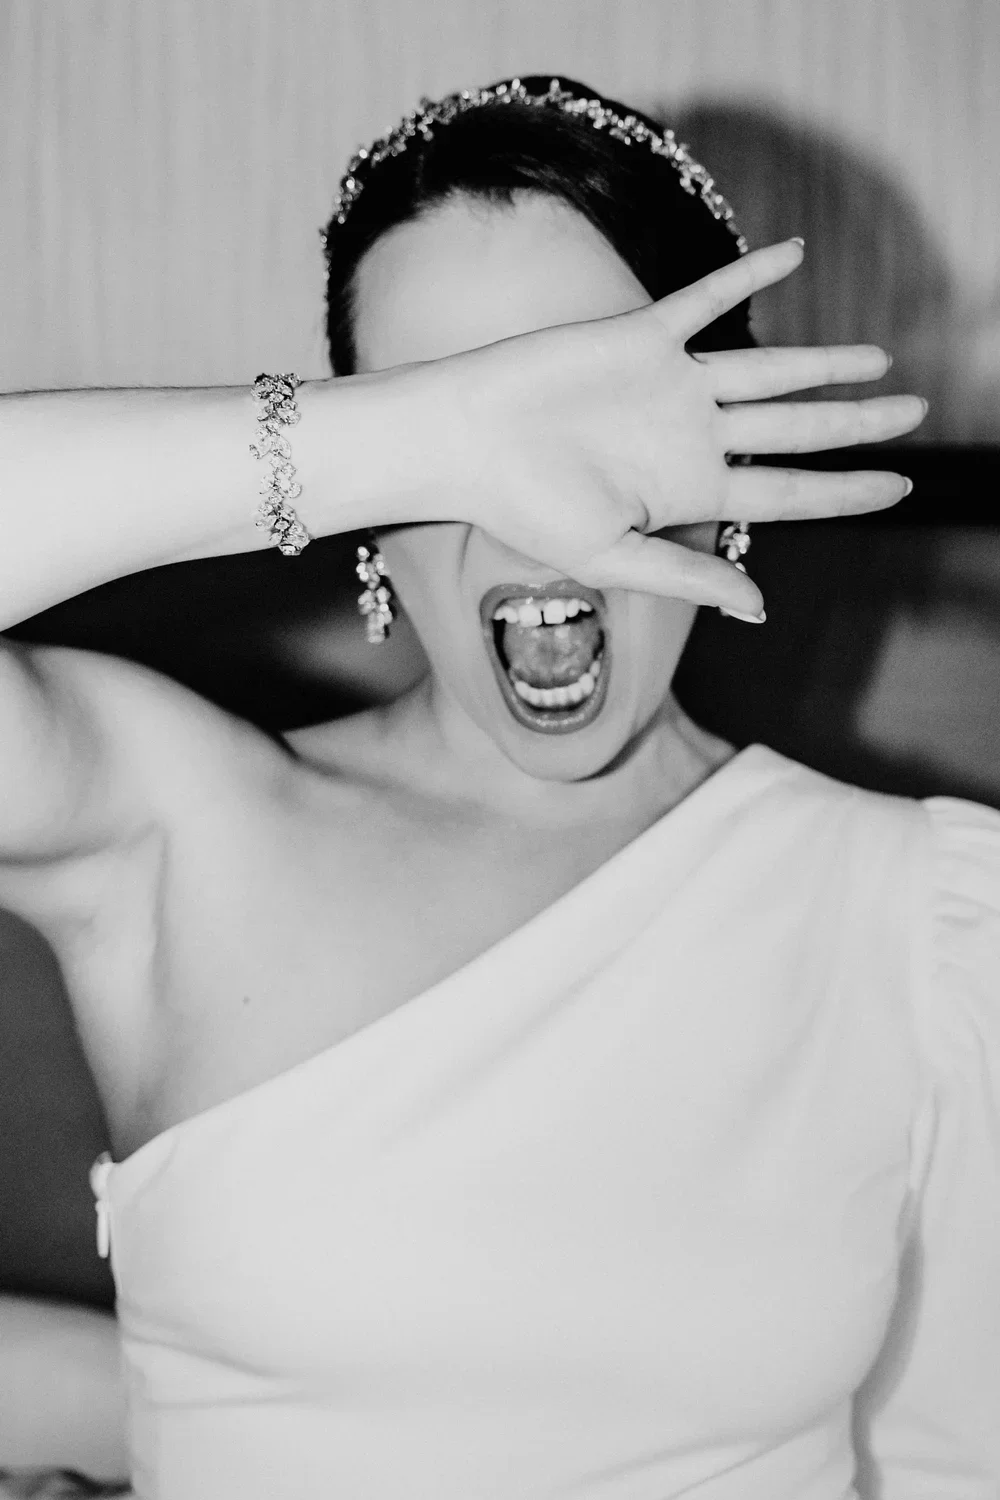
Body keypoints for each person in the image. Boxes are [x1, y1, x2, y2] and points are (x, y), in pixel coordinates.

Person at [0, 72, 995, 1500]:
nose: (533, 510)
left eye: (586, 420)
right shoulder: (174, 835)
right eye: (460, 436)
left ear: (729, 468)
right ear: (363, 522)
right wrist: (404, 439)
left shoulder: (931, 919)